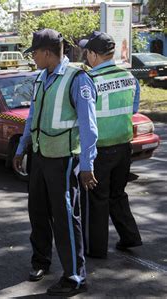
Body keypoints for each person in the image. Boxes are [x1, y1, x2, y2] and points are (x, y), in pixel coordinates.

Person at [12, 29, 98, 296]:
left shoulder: (77, 78)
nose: (32, 57)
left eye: (34, 52)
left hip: (63, 159)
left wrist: (87, 164)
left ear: (47, 52)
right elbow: (32, 116)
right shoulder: (41, 77)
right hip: (40, 156)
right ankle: (41, 262)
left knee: (64, 219)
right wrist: (21, 146)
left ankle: (74, 277)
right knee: (37, 211)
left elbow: (88, 126)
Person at [79, 31, 142, 258]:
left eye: (87, 52)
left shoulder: (90, 80)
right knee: (118, 194)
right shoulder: (129, 77)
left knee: (96, 199)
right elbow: (133, 109)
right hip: (124, 147)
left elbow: (85, 118)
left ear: (94, 55)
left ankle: (95, 249)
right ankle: (130, 237)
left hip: (100, 150)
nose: (85, 56)